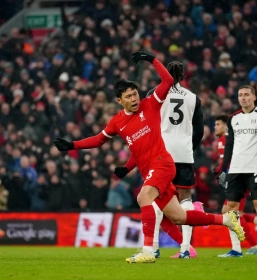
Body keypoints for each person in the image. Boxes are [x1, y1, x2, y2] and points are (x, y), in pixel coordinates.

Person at [53, 50, 245, 264]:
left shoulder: (151, 104)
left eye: (135, 94)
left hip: (163, 164)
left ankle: (148, 251)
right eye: (128, 96)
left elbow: (168, 80)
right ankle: (226, 220)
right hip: (150, 170)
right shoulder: (117, 122)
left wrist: (152, 59)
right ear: (119, 100)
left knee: (143, 197)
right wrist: (72, 145)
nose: (134, 99)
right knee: (179, 216)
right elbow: (99, 139)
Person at [130, 60, 204, 259]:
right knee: (186, 199)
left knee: (154, 198)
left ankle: (153, 247)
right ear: (183, 76)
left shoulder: (155, 94)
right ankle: (186, 249)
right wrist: (188, 148)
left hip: (161, 153)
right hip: (184, 154)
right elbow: (200, 132)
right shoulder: (193, 98)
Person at [218, 85, 257, 258]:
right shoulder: (232, 118)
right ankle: (236, 249)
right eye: (240, 95)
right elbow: (229, 145)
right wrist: (224, 169)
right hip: (236, 169)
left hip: (255, 168)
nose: (243, 98)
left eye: (247, 95)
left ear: (254, 97)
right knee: (230, 209)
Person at [214, 114, 257, 256]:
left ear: (225, 126)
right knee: (228, 211)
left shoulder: (226, 140)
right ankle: (254, 220)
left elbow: (230, 161)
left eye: (218, 124)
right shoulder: (224, 140)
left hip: (240, 178)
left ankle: (252, 246)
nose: (215, 127)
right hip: (239, 177)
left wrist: (220, 171)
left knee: (232, 212)